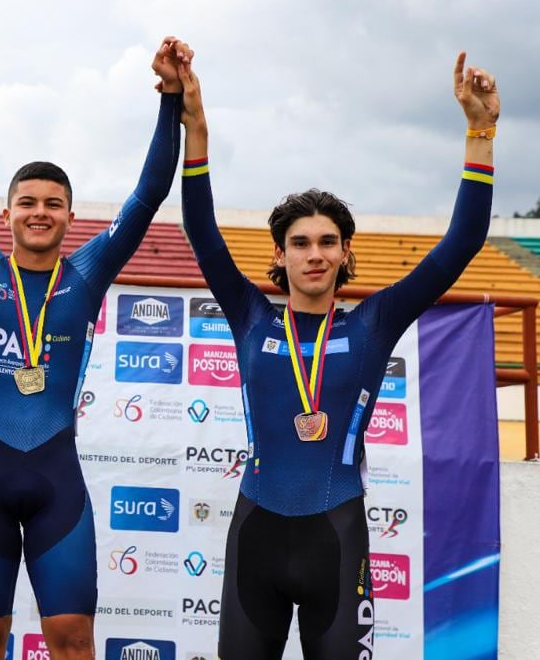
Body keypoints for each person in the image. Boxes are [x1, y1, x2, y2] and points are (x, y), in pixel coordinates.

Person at [177, 51, 499, 659]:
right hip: (256, 538)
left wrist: (480, 134)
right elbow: (200, 229)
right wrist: (196, 127)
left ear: (346, 253)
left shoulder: (375, 323)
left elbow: (461, 244)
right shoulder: (250, 315)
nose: (314, 254)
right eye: (299, 243)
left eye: (328, 242)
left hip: (338, 536)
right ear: (279, 256)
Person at [0, 17, 186, 660]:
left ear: (69, 213)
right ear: (5, 214)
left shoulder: (87, 273)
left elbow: (147, 196)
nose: (39, 212)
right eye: (27, 201)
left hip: (58, 474)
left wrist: (169, 99)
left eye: (53, 202)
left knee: (72, 639)